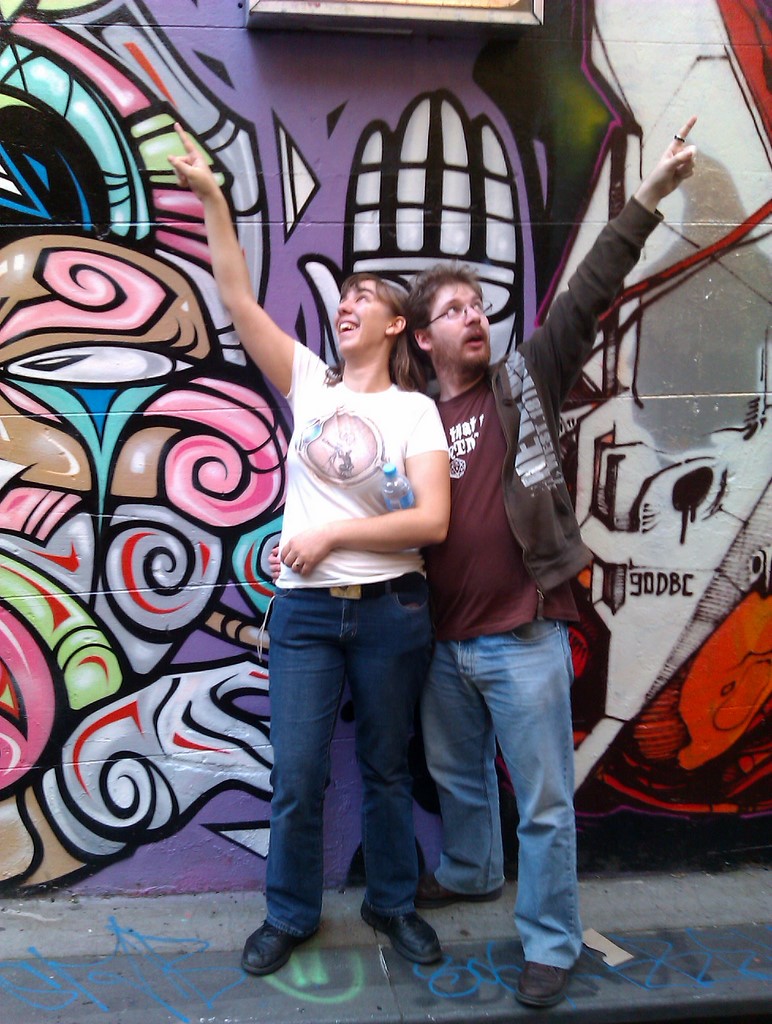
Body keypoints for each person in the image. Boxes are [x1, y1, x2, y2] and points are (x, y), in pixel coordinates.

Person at [406, 119, 698, 1008]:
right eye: (453, 310)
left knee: (542, 803)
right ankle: (469, 871)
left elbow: (587, 292)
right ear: (422, 339)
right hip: (441, 642)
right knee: (458, 777)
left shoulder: (524, 380)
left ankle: (550, 941)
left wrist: (650, 195)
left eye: (477, 305)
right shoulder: (411, 420)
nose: (474, 316)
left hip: (521, 635)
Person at [169, 124, 450, 975]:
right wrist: (212, 196)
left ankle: (392, 903)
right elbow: (236, 295)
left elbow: (431, 521)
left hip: (394, 610)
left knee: (387, 771)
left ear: (396, 323)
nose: (347, 304)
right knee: (296, 774)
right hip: (303, 616)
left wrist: (330, 533)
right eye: (344, 296)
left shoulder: (415, 412)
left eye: (365, 297)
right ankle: (289, 913)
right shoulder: (309, 382)